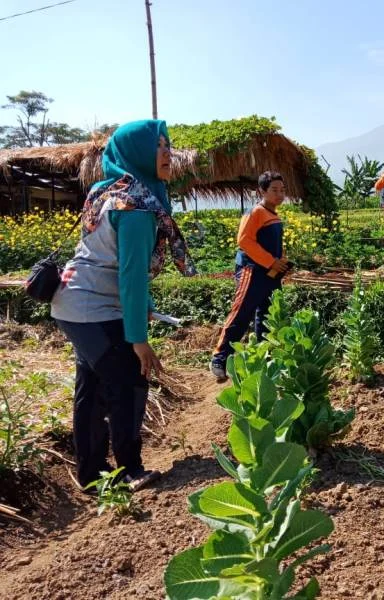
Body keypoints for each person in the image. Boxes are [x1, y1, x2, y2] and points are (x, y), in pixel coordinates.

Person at [51, 120, 196, 492]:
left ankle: (93, 475)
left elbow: (112, 259)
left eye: (168, 145)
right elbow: (130, 275)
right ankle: (129, 470)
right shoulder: (135, 205)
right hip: (94, 307)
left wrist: (143, 304)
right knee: (130, 380)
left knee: (93, 386)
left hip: (76, 303)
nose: (167, 153)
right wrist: (139, 339)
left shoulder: (108, 190)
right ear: (136, 153)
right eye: (157, 146)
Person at [210, 172, 291, 381]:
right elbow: (244, 241)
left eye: (282, 190)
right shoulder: (255, 212)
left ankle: (264, 359)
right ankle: (219, 359)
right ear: (262, 191)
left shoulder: (273, 214)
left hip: (271, 273)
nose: (279, 194)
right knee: (241, 313)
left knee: (266, 315)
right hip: (252, 270)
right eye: (274, 190)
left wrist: (280, 261)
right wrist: (271, 261)